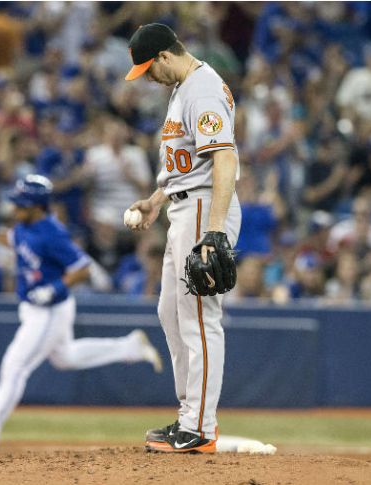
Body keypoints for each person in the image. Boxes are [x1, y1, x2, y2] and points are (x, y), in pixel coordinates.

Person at [0, 174, 163, 449]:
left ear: (37, 206)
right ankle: (130, 347)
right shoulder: (26, 223)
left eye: (21, 204)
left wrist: (53, 287)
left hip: (49, 310)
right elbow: (14, 240)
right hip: (35, 307)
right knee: (65, 357)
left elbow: (82, 268)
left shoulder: (52, 233)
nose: (15, 208)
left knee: (14, 366)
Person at [123, 23, 242, 454]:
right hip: (182, 204)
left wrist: (213, 230)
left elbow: (224, 160)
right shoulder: (183, 89)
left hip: (204, 208)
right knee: (171, 312)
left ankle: (201, 427)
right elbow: (186, 167)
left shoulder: (202, 90)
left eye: (148, 70)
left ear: (165, 57)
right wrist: (157, 200)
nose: (148, 78)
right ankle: (189, 415)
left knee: (198, 318)